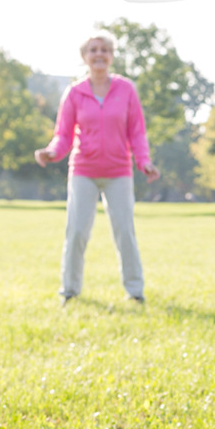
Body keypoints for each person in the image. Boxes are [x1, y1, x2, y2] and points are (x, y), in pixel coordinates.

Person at [34, 32, 160, 304]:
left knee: (125, 231)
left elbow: (136, 131)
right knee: (77, 230)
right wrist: (52, 151)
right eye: (93, 50)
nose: (99, 54)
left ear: (112, 55)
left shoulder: (126, 89)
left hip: (119, 172)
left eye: (104, 49)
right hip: (83, 171)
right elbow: (64, 135)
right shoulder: (75, 93)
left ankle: (135, 292)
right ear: (85, 57)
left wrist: (144, 161)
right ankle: (69, 290)